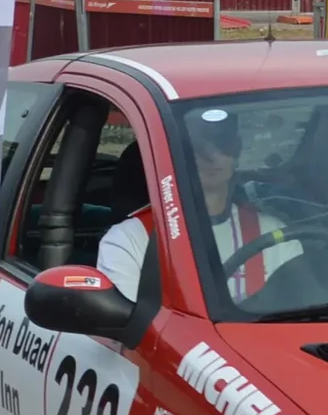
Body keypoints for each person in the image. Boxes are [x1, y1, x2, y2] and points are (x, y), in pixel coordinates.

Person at [97, 107, 299, 304]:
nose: (211, 155)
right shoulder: (130, 239)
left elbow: (300, 312)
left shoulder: (274, 234)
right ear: (171, 155)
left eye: (222, 142)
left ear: (237, 152)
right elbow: (129, 332)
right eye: (196, 146)